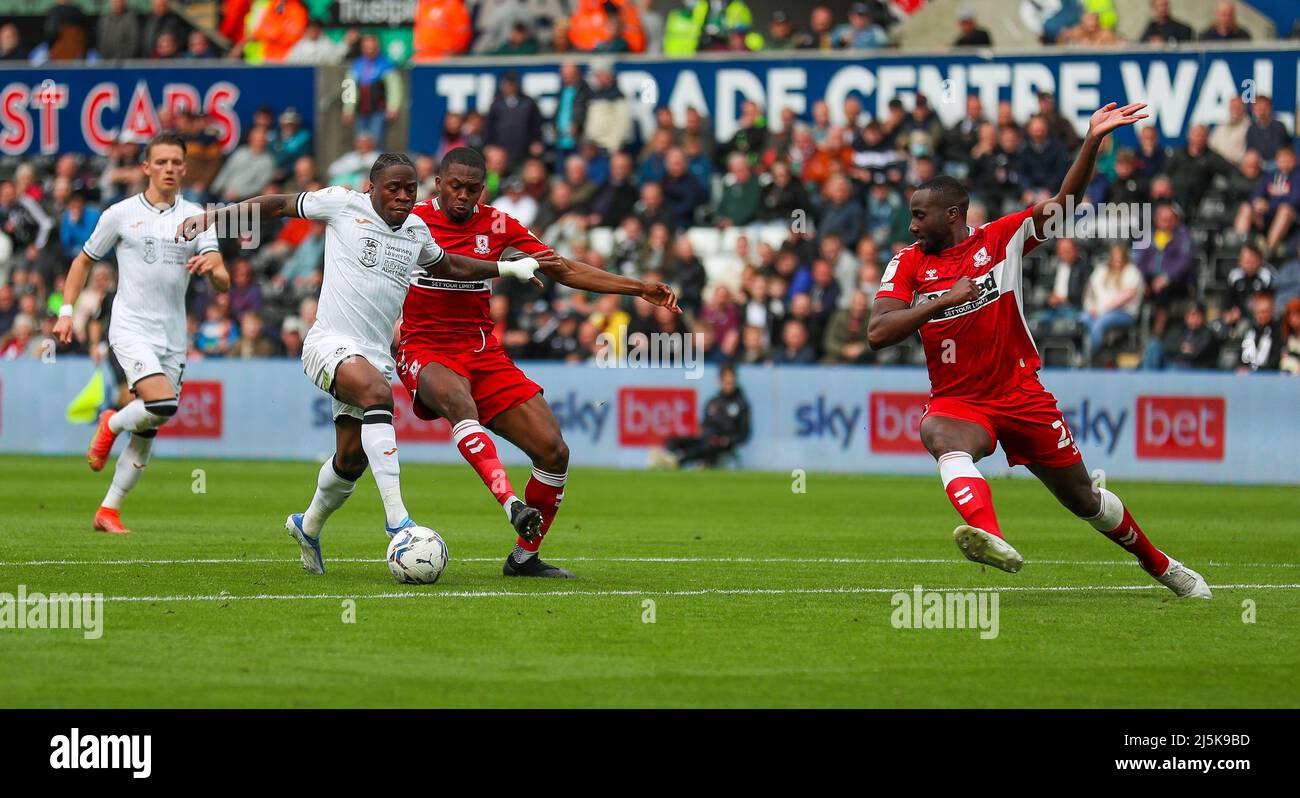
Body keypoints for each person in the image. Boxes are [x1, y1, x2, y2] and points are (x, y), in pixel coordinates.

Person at [867, 102, 1211, 598]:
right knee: (938, 433)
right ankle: (992, 537)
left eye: (920, 216)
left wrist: (1092, 140)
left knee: (1083, 499)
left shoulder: (1001, 239)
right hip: (959, 400)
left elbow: (1066, 204)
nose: (913, 226)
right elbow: (878, 332)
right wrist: (942, 300)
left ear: (953, 214)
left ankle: (1160, 565)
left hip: (1020, 393)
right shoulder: (907, 264)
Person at [176, 152, 555, 574]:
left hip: (373, 357)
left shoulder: (416, 230)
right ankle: (399, 522)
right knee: (378, 395)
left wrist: (508, 268)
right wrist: (215, 217)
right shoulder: (343, 204)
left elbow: (449, 264)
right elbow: (277, 204)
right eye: (392, 187)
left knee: (350, 460)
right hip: (328, 344)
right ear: (371, 188)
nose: (402, 196)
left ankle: (308, 525)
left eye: (409, 188)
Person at [397, 147, 679, 578]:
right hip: (424, 348)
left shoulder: (497, 223)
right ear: (438, 183)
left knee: (554, 450)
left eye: (473, 189)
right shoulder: (409, 220)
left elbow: (561, 268)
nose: (463, 196)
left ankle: (524, 558)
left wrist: (637, 287)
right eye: (455, 186)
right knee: (460, 404)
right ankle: (511, 503)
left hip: (482, 352)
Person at [53, 133, 229, 535]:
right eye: (161, 162)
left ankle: (108, 510)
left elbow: (222, 277)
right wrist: (66, 312)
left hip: (173, 335)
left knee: (151, 424)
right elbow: (82, 262)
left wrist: (212, 269)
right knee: (162, 404)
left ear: (185, 168)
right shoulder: (120, 213)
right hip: (130, 327)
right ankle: (111, 423)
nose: (169, 168)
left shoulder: (200, 217)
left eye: (175, 162)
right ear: (146, 167)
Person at [656, 364, 751, 467]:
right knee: (673, 440)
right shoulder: (713, 402)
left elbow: (743, 434)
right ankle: (668, 458)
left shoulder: (741, 404)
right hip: (706, 438)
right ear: (720, 381)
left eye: (730, 382)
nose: (728, 385)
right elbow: (705, 424)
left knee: (709, 445)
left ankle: (676, 461)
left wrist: (727, 440)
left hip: (722, 443)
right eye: (725, 382)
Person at [1142, 300, 1218, 370]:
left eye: (1196, 314)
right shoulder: (1178, 329)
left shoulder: (1207, 333)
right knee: (1154, 345)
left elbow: (1198, 352)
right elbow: (1167, 344)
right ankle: (1146, 377)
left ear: (1203, 316)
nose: (1193, 317)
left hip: (1192, 367)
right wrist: (1181, 348)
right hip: (1172, 362)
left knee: (1174, 369)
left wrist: (1185, 351)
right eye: (1191, 314)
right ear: (1186, 316)